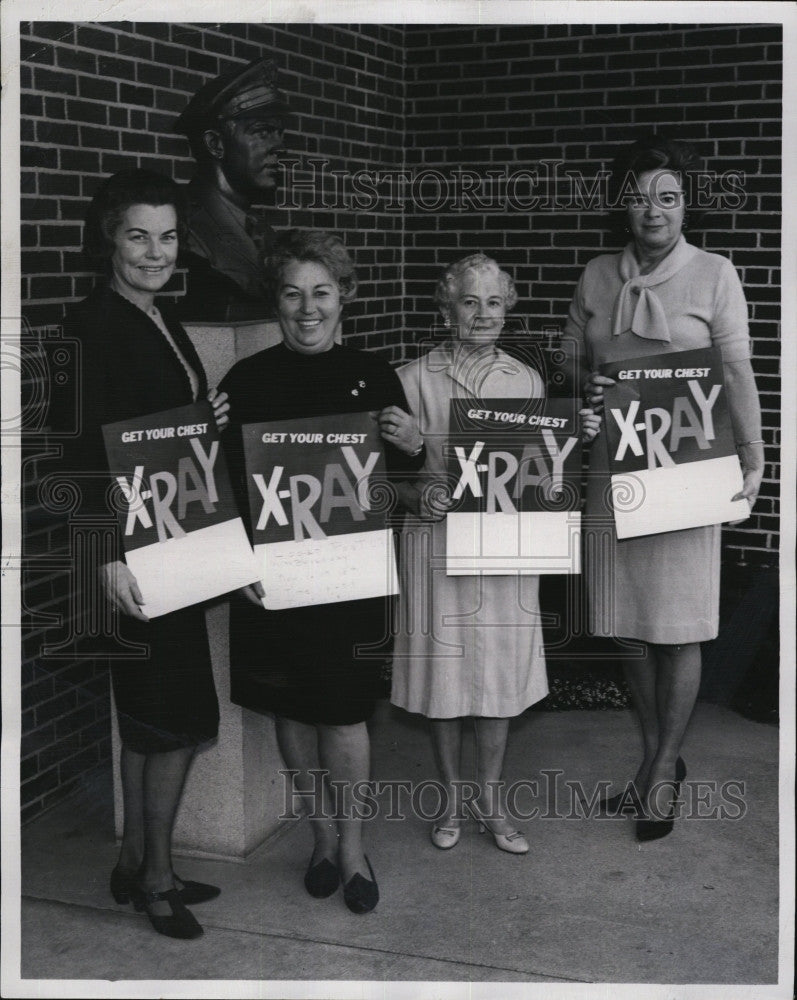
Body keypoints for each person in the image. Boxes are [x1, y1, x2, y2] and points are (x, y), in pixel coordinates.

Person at [564, 133, 764, 840]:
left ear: (685, 206)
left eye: (668, 197)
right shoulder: (595, 277)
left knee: (676, 630)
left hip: (686, 472)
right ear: (623, 205)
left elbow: (736, 372)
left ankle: (660, 772)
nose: (653, 211)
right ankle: (655, 761)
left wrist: (753, 455)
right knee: (629, 630)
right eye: (640, 197)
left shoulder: (714, 274)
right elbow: (572, 369)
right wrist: (581, 393)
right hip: (612, 470)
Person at [219, 230, 425, 913]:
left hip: (348, 581)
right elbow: (218, 487)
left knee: (342, 716)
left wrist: (415, 446)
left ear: (345, 299)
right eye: (292, 293)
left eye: (321, 294)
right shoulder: (244, 382)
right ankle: (317, 836)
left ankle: (353, 847)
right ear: (276, 301)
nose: (307, 309)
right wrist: (235, 562)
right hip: (273, 582)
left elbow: (402, 484)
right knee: (292, 710)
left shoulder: (374, 375)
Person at [61, 169, 231, 938]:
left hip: (174, 537)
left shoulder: (156, 315)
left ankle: (134, 863)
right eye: (139, 236)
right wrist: (105, 558)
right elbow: (76, 453)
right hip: (131, 553)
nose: (156, 252)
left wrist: (204, 418)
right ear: (110, 239)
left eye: (167, 236)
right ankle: (158, 877)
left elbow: (154, 425)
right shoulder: (96, 325)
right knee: (176, 719)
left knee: (149, 720)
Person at [390, 253, 574, 854]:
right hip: (436, 546)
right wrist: (420, 477)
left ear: (508, 308)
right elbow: (379, 480)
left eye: (494, 302)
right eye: (469, 301)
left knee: (498, 675)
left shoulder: (525, 381)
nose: (482, 314)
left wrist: (571, 449)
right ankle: (448, 800)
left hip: (503, 548)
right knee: (444, 678)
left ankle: (491, 802)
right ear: (446, 308)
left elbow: (537, 473)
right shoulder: (411, 377)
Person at [174, 58, 290, 321]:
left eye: (280, 134)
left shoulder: (264, 233)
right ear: (215, 144)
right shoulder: (183, 225)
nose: (279, 147)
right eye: (262, 132)